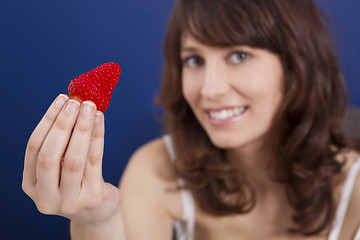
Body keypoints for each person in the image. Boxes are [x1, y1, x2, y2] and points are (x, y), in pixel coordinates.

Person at [22, 0, 360, 239]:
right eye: (194, 60)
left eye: (239, 55)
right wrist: (96, 221)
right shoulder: (157, 168)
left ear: (296, 64)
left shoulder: (354, 190)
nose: (209, 90)